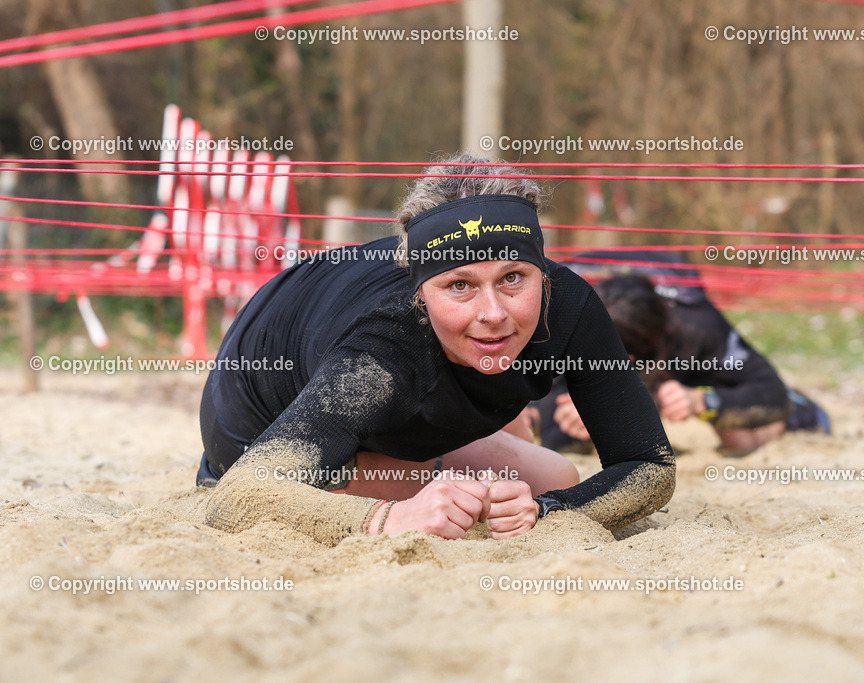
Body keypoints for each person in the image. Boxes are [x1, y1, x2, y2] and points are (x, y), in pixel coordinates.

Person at [199, 156, 675, 544]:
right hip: (260, 427)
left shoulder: (569, 302)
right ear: (421, 293)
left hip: (389, 374)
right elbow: (240, 496)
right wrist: (390, 519)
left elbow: (650, 465)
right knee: (451, 505)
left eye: (513, 277)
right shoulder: (380, 351)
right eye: (460, 285)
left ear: (541, 271)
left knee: (554, 477)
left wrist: (550, 509)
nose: (493, 312)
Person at [535, 251, 830, 456]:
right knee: (536, 428)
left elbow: (771, 393)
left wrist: (701, 400)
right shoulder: (559, 320)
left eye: (628, 361)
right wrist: (594, 411)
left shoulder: (695, 325)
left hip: (679, 358)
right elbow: (543, 432)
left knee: (739, 435)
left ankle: (799, 413)